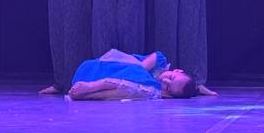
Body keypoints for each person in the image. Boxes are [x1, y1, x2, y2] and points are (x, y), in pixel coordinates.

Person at [66, 48, 200, 100]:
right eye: (171, 77)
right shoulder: (160, 61)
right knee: (144, 87)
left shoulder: (153, 89)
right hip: (108, 68)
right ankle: (92, 86)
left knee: (140, 91)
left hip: (119, 82)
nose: (165, 81)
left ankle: (88, 93)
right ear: (177, 70)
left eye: (169, 87)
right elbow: (138, 69)